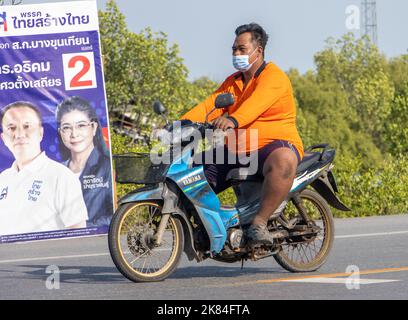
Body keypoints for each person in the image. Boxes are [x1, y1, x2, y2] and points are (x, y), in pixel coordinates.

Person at [180, 23, 304, 245]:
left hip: (274, 146)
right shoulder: (234, 82)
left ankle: (259, 223)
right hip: (240, 147)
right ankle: (204, 228)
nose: (236, 54)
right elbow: (209, 106)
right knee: (191, 176)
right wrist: (179, 124)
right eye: (234, 49)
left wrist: (232, 119)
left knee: (283, 160)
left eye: (242, 49)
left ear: (259, 51)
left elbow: (255, 105)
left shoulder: (274, 78)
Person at [0, 101, 88, 236]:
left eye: (27, 126)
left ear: (41, 133)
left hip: (46, 256)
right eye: (11, 128)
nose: (19, 134)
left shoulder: (61, 176)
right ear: (3, 138)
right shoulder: (3, 179)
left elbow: (78, 232)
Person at [56, 96, 113, 228]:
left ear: (93, 128)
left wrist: (85, 226)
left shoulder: (107, 167)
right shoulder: (57, 171)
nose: (74, 134)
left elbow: (116, 216)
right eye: (67, 128)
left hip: (94, 243)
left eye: (81, 125)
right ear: (60, 133)